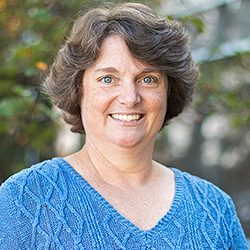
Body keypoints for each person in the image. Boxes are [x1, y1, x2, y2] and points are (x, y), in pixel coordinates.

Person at [0, 3, 248, 249]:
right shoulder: (24, 200)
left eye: (148, 79)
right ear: (78, 91)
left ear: (169, 92)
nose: (130, 98)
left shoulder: (214, 209)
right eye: (108, 79)